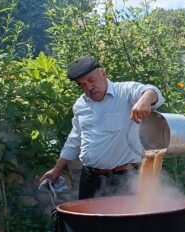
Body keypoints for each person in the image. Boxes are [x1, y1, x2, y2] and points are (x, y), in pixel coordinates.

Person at [40, 56, 165, 199]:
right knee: (86, 221)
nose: (88, 88)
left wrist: (145, 100)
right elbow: (74, 140)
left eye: (91, 80)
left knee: (124, 221)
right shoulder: (80, 105)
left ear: (103, 73)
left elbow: (152, 91)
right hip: (89, 179)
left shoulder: (125, 92)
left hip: (123, 179)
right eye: (82, 85)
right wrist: (56, 170)